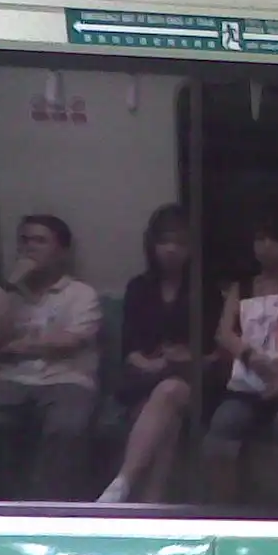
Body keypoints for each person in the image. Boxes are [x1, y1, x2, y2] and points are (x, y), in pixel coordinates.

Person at [0, 214, 100, 500]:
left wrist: (15, 346)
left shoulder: (81, 294)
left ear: (62, 251)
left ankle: (50, 510)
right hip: (11, 381)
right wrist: (12, 287)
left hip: (68, 380)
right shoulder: (0, 295)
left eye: (40, 241)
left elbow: (69, 342)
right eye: (24, 240)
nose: (29, 248)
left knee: (66, 428)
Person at [97, 204, 225, 503]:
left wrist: (186, 359)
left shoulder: (206, 290)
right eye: (164, 241)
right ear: (152, 244)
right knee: (166, 418)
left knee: (169, 390)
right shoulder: (139, 287)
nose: (171, 250)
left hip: (194, 383)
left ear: (191, 248)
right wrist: (150, 364)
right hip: (145, 379)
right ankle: (152, 502)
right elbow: (129, 349)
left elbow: (214, 354)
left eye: (180, 243)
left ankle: (122, 482)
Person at [203, 219, 278, 506]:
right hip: (248, 384)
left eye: (272, 239)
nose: (265, 246)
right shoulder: (241, 288)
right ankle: (223, 510)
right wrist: (251, 357)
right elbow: (224, 333)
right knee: (224, 422)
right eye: (259, 239)